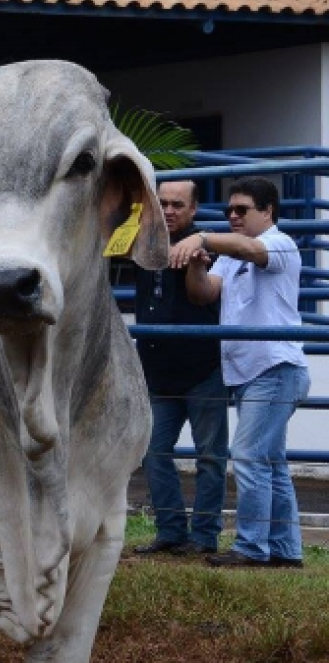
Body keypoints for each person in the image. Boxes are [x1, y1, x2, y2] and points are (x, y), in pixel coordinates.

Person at [170, 176, 309, 569]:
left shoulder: (279, 243)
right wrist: (197, 267)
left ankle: (251, 548)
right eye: (229, 209)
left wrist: (202, 239)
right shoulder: (230, 257)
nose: (233, 215)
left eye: (242, 209)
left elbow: (249, 247)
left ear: (267, 212)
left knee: (248, 456)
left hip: (275, 368)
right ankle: (285, 550)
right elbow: (204, 294)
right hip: (251, 373)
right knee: (270, 462)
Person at [133, 180, 229, 557]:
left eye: (177, 204)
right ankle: (170, 531)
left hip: (202, 366)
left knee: (210, 456)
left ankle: (204, 537)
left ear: (193, 210)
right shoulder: (141, 239)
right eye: (163, 203)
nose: (169, 210)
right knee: (153, 452)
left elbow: (203, 293)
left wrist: (198, 254)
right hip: (157, 370)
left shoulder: (209, 246)